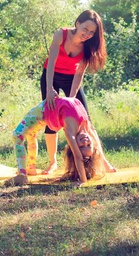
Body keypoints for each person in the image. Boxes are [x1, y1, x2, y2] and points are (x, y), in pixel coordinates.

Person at [41, 10, 107, 175]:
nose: (87, 34)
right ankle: (52, 162)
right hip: (52, 76)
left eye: (92, 32)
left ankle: (104, 161)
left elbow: (79, 74)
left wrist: (71, 100)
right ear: (78, 23)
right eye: (85, 28)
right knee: (51, 119)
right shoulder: (60, 35)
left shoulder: (88, 46)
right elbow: (51, 64)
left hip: (72, 78)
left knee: (85, 120)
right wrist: (50, 89)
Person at [6, 97, 115, 187]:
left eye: (81, 147)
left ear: (75, 148)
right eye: (88, 145)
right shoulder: (87, 128)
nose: (85, 142)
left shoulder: (70, 132)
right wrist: (107, 166)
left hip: (42, 111)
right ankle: (31, 168)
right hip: (48, 110)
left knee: (17, 135)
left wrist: (83, 180)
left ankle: (22, 174)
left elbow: (78, 157)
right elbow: (98, 150)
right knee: (30, 134)